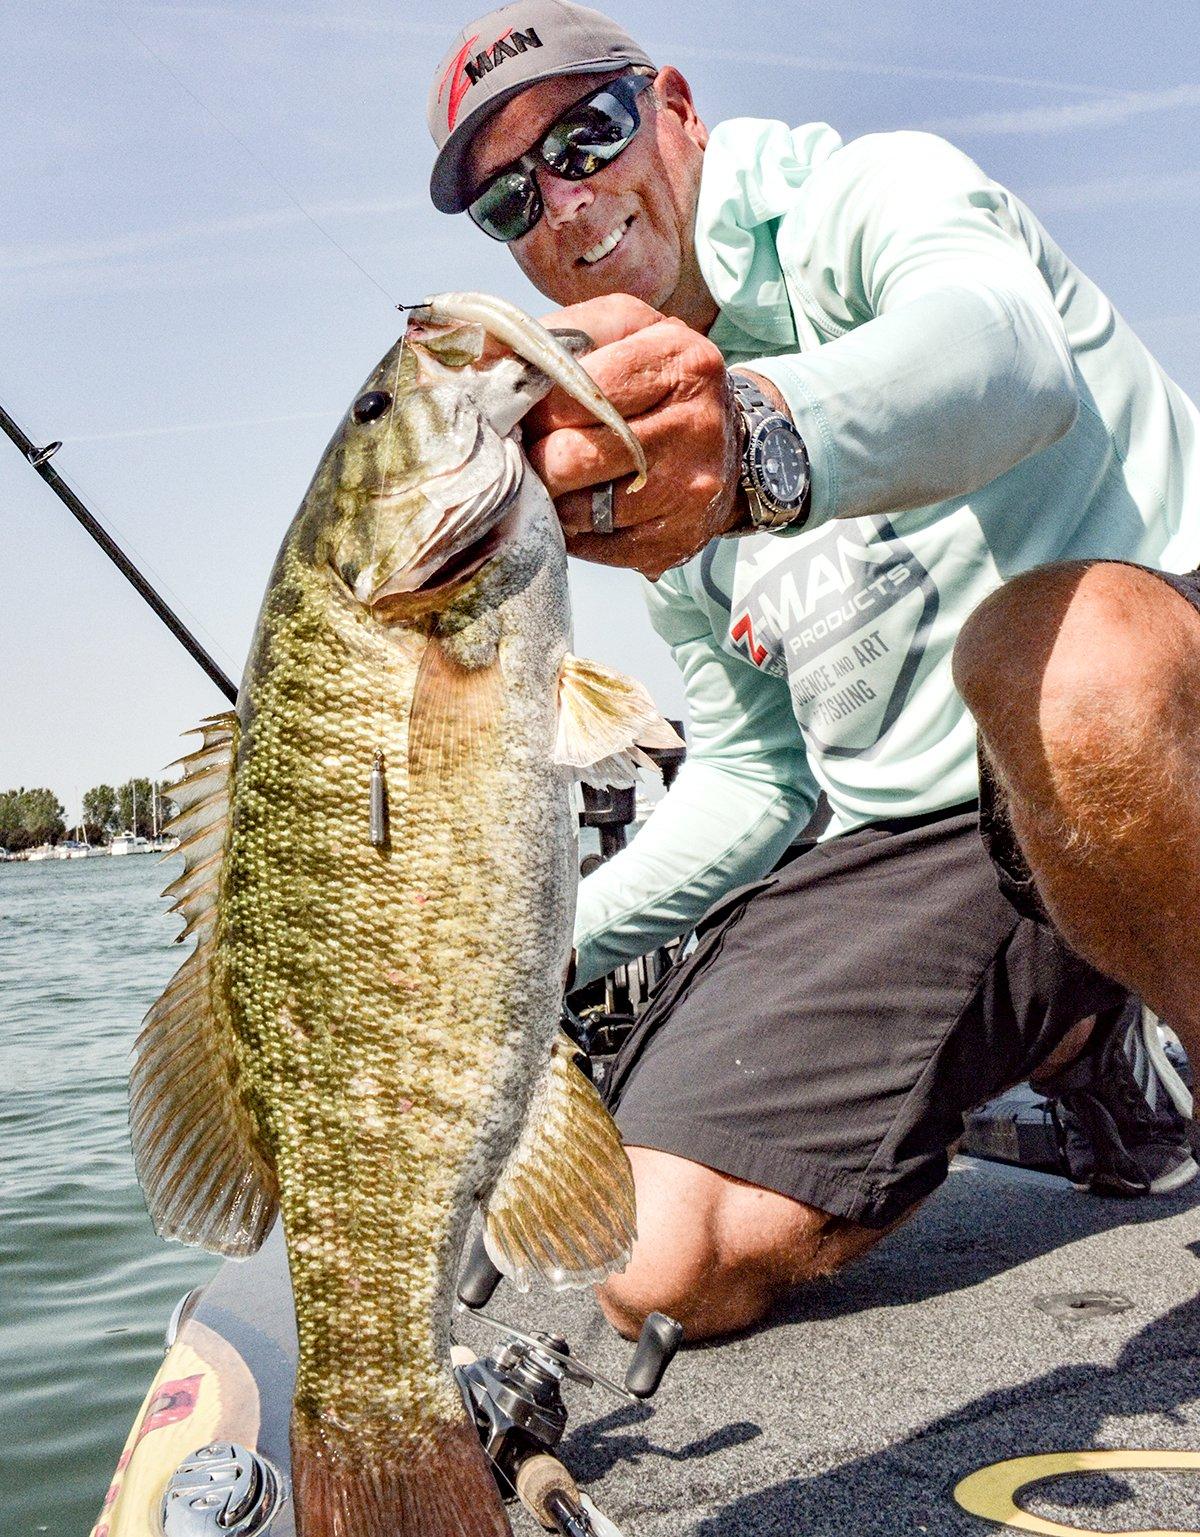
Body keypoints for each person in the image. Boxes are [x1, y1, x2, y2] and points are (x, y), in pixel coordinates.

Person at [426, 1, 1200, 1341]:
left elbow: (1008, 358)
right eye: (508, 198)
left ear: (675, 108)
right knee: (654, 1260)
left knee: (1062, 676)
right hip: (935, 839)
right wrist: (538, 952)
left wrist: (758, 440)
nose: (564, 202)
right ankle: (1083, 1038)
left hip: (1148, 718)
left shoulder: (862, 191)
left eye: (587, 134)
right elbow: (756, 777)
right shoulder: (625, 432)